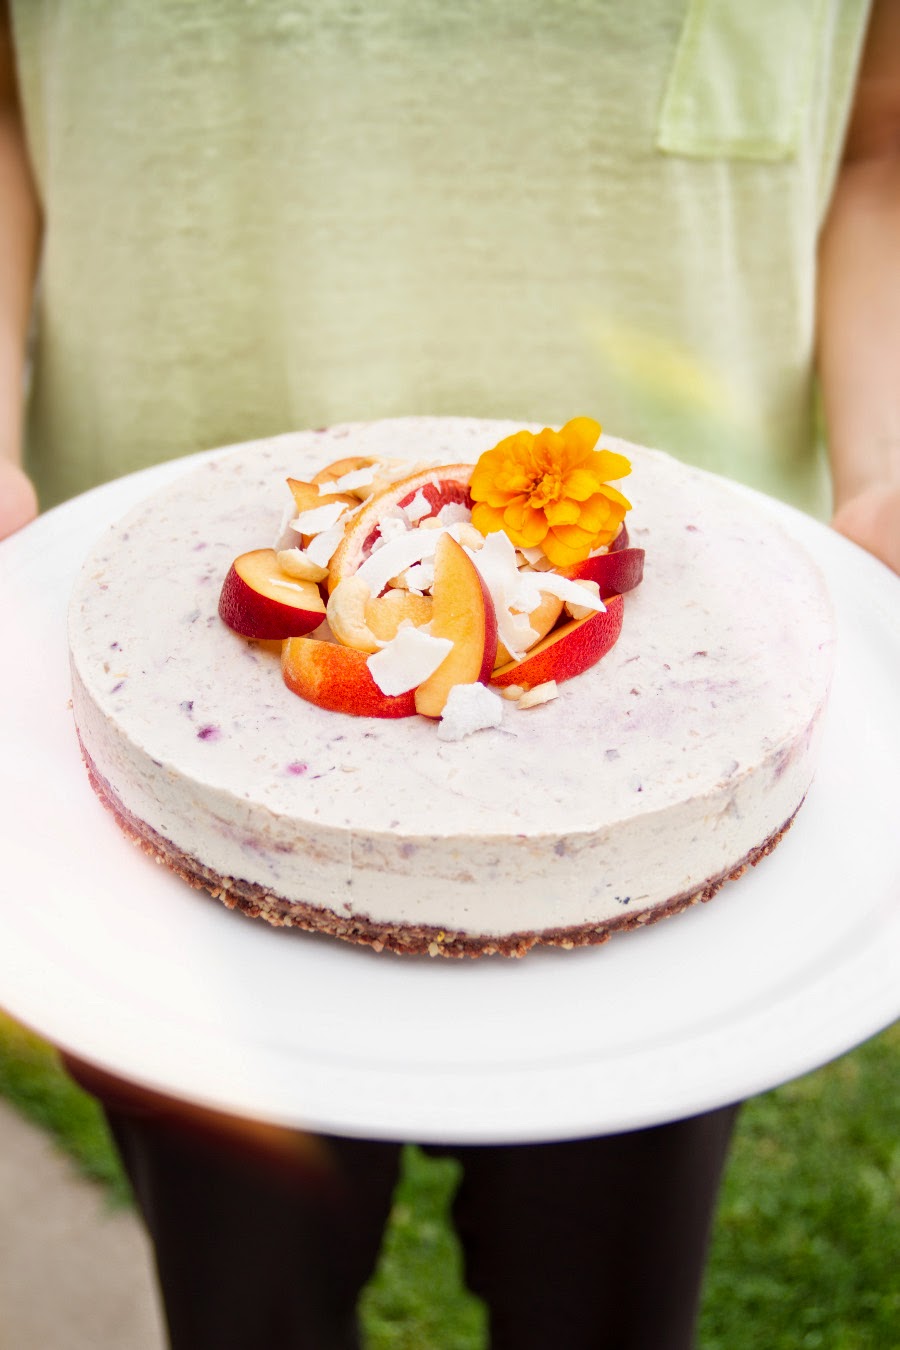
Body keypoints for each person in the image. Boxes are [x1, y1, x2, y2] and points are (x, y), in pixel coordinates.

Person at [1, 3, 898, 1348]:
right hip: (159, 687)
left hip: (693, 722)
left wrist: (888, 465)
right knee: (247, 1307)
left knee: (605, 1302)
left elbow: (881, 143)